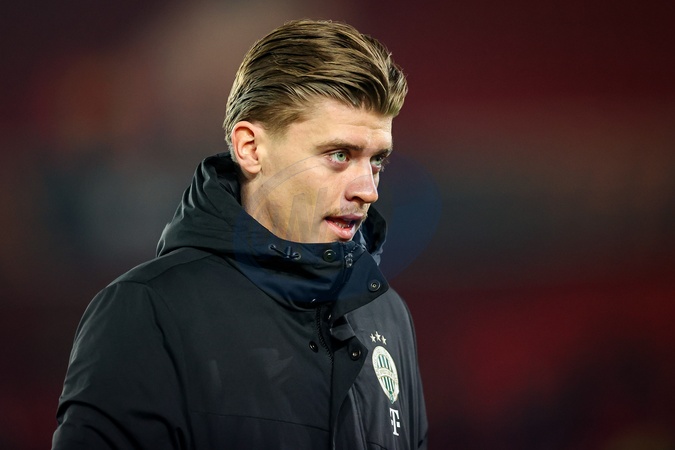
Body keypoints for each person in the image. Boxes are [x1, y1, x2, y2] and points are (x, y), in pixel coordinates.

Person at [53, 19, 428, 450]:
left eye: (377, 160)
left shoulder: (387, 315)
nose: (368, 190)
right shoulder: (147, 312)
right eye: (339, 155)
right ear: (250, 148)